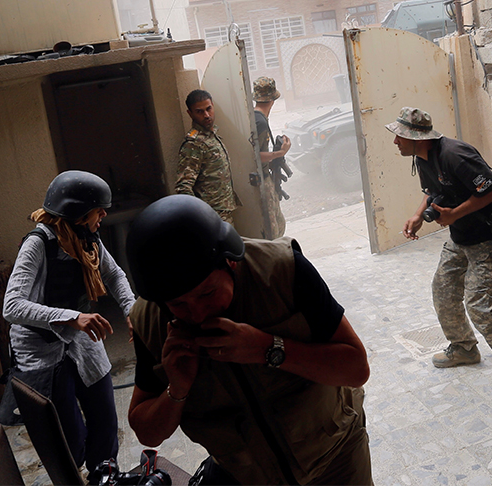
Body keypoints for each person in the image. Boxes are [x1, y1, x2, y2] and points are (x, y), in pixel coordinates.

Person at [125, 195, 372, 485]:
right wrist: (176, 389)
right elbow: (147, 432)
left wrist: (267, 348)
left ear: (231, 263)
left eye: (207, 293)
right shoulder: (149, 322)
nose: (197, 312)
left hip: (336, 458)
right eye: (178, 304)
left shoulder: (283, 270)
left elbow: (356, 369)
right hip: (247, 477)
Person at [387, 107, 492, 402]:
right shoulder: (421, 158)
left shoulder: (455, 154)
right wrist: (418, 215)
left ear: (417, 137)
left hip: (489, 238)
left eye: (399, 136)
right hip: (462, 236)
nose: (395, 142)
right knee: (444, 290)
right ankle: (463, 347)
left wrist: (453, 215)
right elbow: (432, 190)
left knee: (480, 305)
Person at [2, 170, 135, 470]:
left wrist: (132, 310)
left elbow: (113, 274)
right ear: (77, 212)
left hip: (79, 339)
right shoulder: (39, 243)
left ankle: (105, 473)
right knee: (67, 440)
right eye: (97, 209)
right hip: (41, 347)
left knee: (104, 421)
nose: (103, 214)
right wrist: (72, 317)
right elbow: (11, 306)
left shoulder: (88, 239)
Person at [175, 89, 240, 224]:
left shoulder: (211, 136)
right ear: (190, 113)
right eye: (199, 111)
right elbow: (183, 187)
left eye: (208, 109)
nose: (206, 115)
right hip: (211, 217)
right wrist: (201, 217)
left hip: (224, 213)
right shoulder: (194, 144)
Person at [253, 76, 288, 238]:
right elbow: (255, 156)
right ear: (273, 100)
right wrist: (280, 153)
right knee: (274, 229)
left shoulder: (258, 118)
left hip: (264, 178)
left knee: (278, 224)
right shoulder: (259, 121)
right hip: (262, 180)